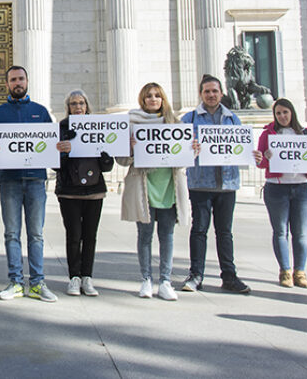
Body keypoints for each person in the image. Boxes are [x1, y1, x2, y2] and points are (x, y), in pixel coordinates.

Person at [0, 65, 57, 302]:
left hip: (36, 180)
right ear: (7, 84)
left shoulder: (41, 112)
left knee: (36, 234)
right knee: (11, 233)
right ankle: (15, 281)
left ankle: (37, 282)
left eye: (21, 79)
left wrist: (58, 151)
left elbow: (52, 144)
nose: (17, 83)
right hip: (10, 181)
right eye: (13, 79)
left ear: (27, 81)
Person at [181, 74, 251, 294]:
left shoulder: (232, 119)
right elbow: (178, 149)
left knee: (225, 232)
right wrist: (189, 147)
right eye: (207, 91)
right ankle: (196, 274)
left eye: (215, 91)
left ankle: (229, 276)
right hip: (201, 182)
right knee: (199, 230)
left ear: (221, 93)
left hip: (227, 183)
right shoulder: (189, 119)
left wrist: (253, 155)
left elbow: (241, 148)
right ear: (201, 94)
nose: (211, 95)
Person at [120, 83, 189, 301]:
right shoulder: (131, 123)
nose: (153, 99)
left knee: (167, 235)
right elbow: (121, 160)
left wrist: (192, 150)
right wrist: (129, 148)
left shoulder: (174, 123)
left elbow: (184, 158)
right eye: (148, 96)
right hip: (144, 187)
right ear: (142, 99)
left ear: (162, 99)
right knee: (145, 236)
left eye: (157, 96)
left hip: (168, 186)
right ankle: (146, 279)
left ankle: (166, 281)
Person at [252, 98, 307, 289]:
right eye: (278, 113)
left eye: (285, 112)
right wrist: (262, 157)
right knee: (280, 231)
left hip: (302, 187)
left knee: (301, 233)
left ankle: (300, 272)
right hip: (277, 188)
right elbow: (262, 163)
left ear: (292, 113)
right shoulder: (267, 134)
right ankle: (285, 271)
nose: (282, 116)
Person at [54, 90, 114, 297]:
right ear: (68, 108)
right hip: (69, 192)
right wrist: (65, 152)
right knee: (73, 236)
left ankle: (87, 277)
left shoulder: (98, 127)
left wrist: (105, 155)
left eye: (81, 103)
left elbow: (107, 166)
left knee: (90, 236)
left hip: (94, 191)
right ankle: (74, 277)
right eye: (73, 104)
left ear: (87, 106)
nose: (78, 107)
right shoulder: (61, 128)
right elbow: (55, 165)